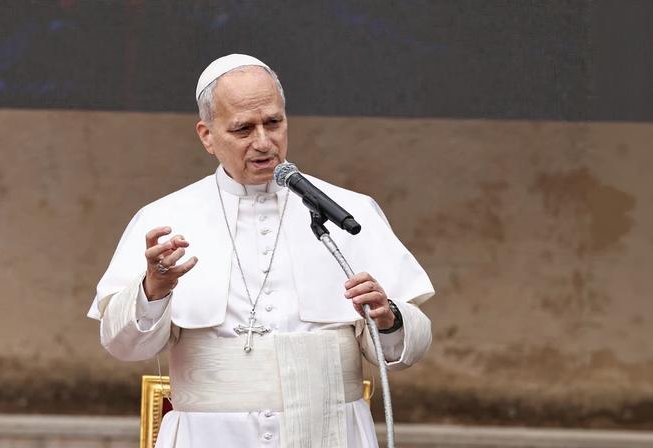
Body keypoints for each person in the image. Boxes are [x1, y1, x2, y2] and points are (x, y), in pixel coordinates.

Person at [87, 54, 434, 448]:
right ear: (207, 135)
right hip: (210, 438)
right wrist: (154, 289)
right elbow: (123, 345)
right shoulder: (165, 218)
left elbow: (407, 347)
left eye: (274, 122)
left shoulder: (349, 212)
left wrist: (388, 317)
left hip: (331, 434)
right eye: (243, 129)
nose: (264, 142)